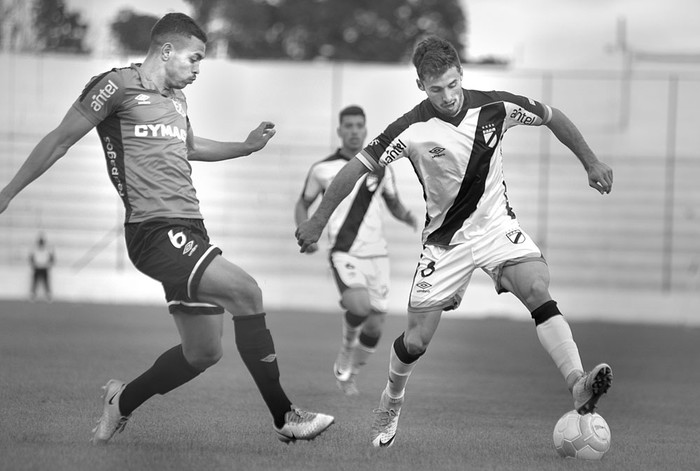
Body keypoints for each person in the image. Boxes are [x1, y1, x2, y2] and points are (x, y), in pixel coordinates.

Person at [0, 13, 333, 444]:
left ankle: (120, 402)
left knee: (203, 352)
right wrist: (8, 192)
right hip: (153, 230)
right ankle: (285, 415)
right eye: (194, 59)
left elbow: (191, 147)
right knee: (248, 293)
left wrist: (245, 147)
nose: (197, 69)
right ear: (167, 50)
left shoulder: (177, 100)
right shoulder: (116, 85)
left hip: (190, 229)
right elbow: (60, 139)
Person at [296, 36, 613, 447]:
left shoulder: (495, 107)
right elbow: (356, 168)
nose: (446, 96)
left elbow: (553, 116)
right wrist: (319, 219)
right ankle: (391, 401)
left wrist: (591, 161)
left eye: (451, 84)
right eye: (435, 89)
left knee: (536, 285)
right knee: (416, 341)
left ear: (460, 73)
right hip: (445, 244)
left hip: (496, 228)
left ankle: (577, 383)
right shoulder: (410, 128)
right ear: (420, 86)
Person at [294, 105, 416, 396]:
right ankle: (347, 348)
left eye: (358, 126)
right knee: (359, 306)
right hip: (344, 251)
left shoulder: (382, 167)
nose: (353, 131)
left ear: (365, 129)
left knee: (375, 328)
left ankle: (351, 374)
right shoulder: (322, 169)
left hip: (378, 256)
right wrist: (305, 232)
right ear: (339, 131)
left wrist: (410, 217)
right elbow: (303, 203)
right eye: (347, 126)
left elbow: (393, 203)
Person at [29, 232, 55, 302]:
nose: (41, 244)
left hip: (44, 267)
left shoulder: (47, 250)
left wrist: (49, 264)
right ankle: (33, 295)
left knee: (46, 282)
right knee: (35, 282)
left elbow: (52, 258)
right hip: (37, 267)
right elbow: (31, 258)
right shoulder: (35, 250)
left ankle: (48, 295)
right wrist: (33, 264)